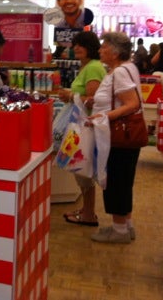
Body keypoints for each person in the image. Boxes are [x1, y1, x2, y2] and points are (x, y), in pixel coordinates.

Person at [89, 32, 143, 244]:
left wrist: (104, 116)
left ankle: (119, 231)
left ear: (115, 52)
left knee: (116, 182)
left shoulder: (120, 72)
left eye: (104, 47)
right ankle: (125, 225)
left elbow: (132, 103)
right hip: (125, 136)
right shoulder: (128, 68)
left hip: (118, 135)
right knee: (124, 181)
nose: (100, 50)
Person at [57, 31, 106, 227]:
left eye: (81, 45)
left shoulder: (93, 68)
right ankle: (87, 209)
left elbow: (93, 100)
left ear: (91, 47)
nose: (76, 48)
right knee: (81, 169)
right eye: (75, 44)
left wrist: (70, 96)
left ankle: (88, 214)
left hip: (86, 126)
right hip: (83, 124)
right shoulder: (88, 66)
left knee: (82, 169)